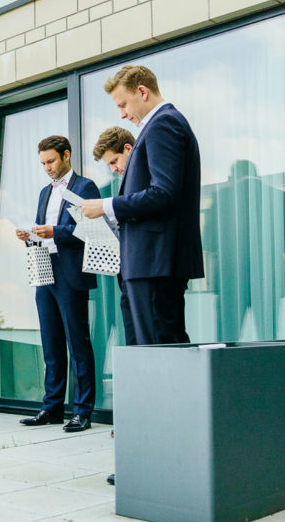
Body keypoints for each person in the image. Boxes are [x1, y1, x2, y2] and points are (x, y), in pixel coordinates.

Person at [82, 65, 204, 346]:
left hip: (155, 263)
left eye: (123, 104)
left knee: (159, 352)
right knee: (149, 352)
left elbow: (163, 194)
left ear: (142, 92)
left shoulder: (163, 124)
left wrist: (106, 206)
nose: (122, 114)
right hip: (149, 263)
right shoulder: (159, 126)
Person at [16, 135, 100, 433]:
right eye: (42, 163)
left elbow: (90, 229)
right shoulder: (44, 192)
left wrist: (55, 231)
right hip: (44, 269)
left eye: (50, 161)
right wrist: (30, 235)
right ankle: (52, 408)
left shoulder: (85, 187)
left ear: (66, 155)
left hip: (70, 272)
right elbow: (45, 231)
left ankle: (82, 411)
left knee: (78, 343)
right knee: (51, 343)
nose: (47, 168)